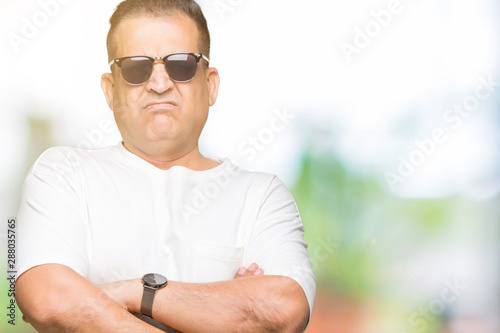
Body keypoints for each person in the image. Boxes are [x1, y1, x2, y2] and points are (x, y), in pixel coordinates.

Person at [15, 0, 316, 332]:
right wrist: (218, 309)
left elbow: (284, 308)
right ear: (111, 90)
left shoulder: (261, 197)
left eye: (182, 64)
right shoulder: (62, 174)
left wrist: (129, 293)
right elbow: (48, 298)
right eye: (135, 67)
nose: (159, 83)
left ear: (210, 84)